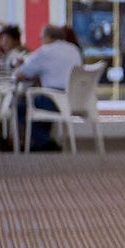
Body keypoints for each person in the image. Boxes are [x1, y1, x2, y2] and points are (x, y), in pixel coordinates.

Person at [15, 24, 84, 152]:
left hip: (54, 100)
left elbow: (20, 74)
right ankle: (41, 142)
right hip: (75, 98)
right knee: (38, 102)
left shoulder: (46, 51)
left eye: (42, 38)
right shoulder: (74, 50)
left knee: (19, 108)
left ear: (48, 37)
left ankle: (45, 142)